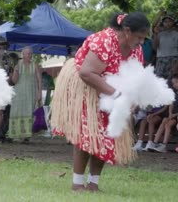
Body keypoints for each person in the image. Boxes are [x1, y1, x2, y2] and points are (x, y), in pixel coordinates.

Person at [51, 12, 149, 192]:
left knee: (107, 135)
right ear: (127, 31)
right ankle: (77, 183)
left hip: (111, 89)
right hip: (87, 86)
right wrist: (116, 94)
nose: (141, 42)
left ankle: (93, 184)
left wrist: (132, 98)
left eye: (143, 38)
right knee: (87, 134)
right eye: (139, 37)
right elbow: (86, 73)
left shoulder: (136, 50)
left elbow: (135, 78)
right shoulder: (104, 41)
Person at [9, 46, 42, 143]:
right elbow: (14, 81)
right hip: (19, 93)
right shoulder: (18, 65)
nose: (29, 55)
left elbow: (39, 80)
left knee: (29, 111)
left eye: (30, 53)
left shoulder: (35, 65)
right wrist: (15, 71)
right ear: (22, 54)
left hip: (31, 92)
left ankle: (26, 136)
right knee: (17, 111)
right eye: (27, 53)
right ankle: (14, 134)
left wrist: (39, 92)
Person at [147, 74, 178, 153]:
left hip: (176, 116)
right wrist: (170, 113)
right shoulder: (174, 93)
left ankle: (163, 146)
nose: (173, 85)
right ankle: (155, 143)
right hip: (172, 115)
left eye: (175, 83)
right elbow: (171, 104)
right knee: (164, 120)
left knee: (168, 124)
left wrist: (174, 115)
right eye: (173, 83)